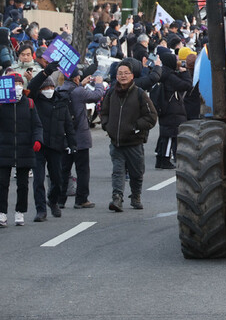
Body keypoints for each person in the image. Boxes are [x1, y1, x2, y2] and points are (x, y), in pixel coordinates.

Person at [99, 60, 157, 212]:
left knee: (136, 172)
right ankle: (117, 198)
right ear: (116, 76)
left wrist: (135, 127)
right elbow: (103, 112)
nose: (123, 76)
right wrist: (107, 126)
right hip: (116, 143)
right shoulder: (111, 92)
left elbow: (151, 117)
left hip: (134, 142)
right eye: (120, 73)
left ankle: (136, 196)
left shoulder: (140, 94)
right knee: (117, 171)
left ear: (132, 76)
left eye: (126, 73)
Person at [0, 74, 44, 227]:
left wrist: (37, 140)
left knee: (23, 183)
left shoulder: (29, 103)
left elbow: (37, 125)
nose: (17, 86)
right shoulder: (1, 103)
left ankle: (20, 212)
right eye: (14, 83)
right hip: (5, 147)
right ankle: (2, 214)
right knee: (2, 183)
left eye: (20, 83)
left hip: (24, 147)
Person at [28, 65, 76, 221]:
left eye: (50, 86)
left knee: (57, 179)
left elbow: (68, 125)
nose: (48, 90)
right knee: (38, 179)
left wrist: (72, 144)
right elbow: (32, 86)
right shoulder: (35, 100)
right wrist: (45, 72)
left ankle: (53, 201)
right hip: (39, 145)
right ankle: (40, 210)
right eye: (45, 87)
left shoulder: (61, 102)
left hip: (56, 145)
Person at [57, 66, 106, 208]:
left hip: (64, 136)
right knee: (82, 169)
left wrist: (81, 84)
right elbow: (97, 96)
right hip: (80, 136)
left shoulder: (59, 90)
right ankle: (81, 199)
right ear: (76, 78)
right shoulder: (79, 91)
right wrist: (98, 83)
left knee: (64, 169)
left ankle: (60, 200)